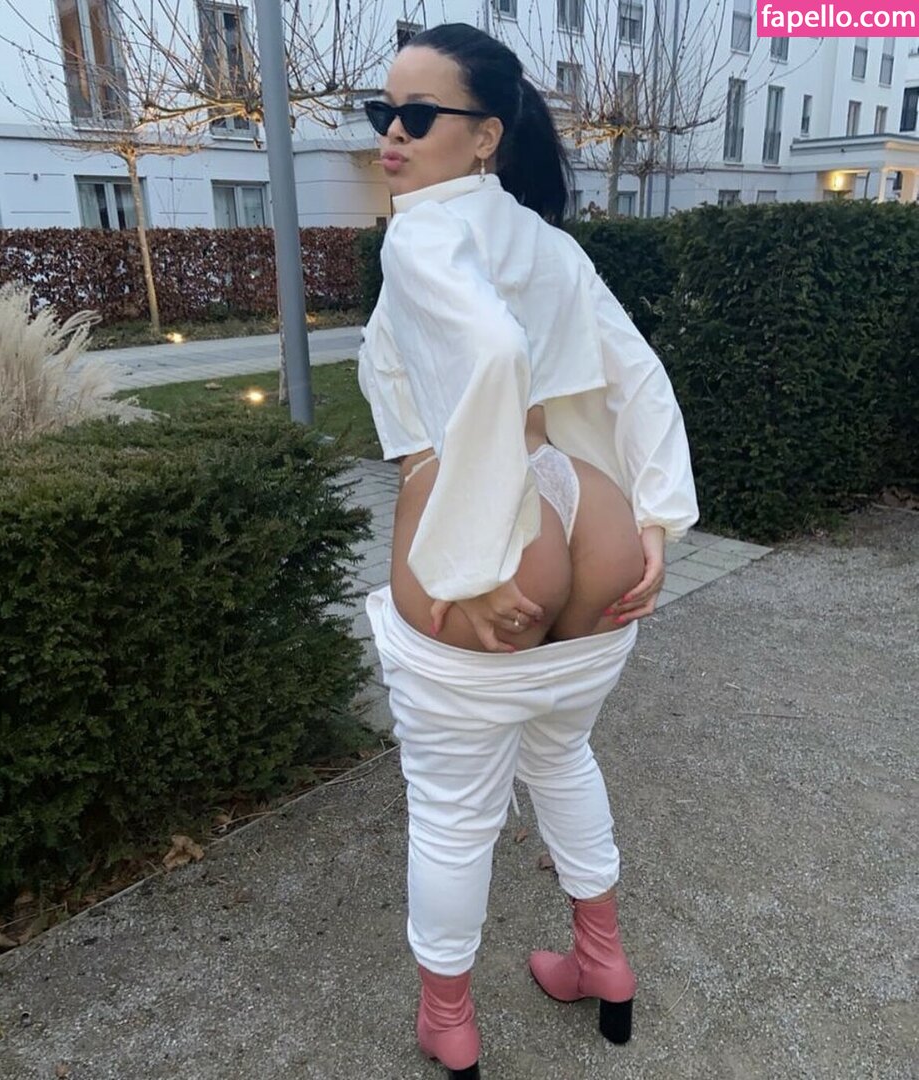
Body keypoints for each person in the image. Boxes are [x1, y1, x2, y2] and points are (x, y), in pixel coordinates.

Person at [358, 23, 698, 1080]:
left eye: (418, 116)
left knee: (453, 813)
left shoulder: (419, 234)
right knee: (561, 753)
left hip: (495, 523)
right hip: (590, 515)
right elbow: (637, 373)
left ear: (484, 136)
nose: (391, 136)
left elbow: (492, 354)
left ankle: (449, 1024)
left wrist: (472, 559)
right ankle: (603, 963)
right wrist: (655, 519)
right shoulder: (550, 246)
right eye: (382, 113)